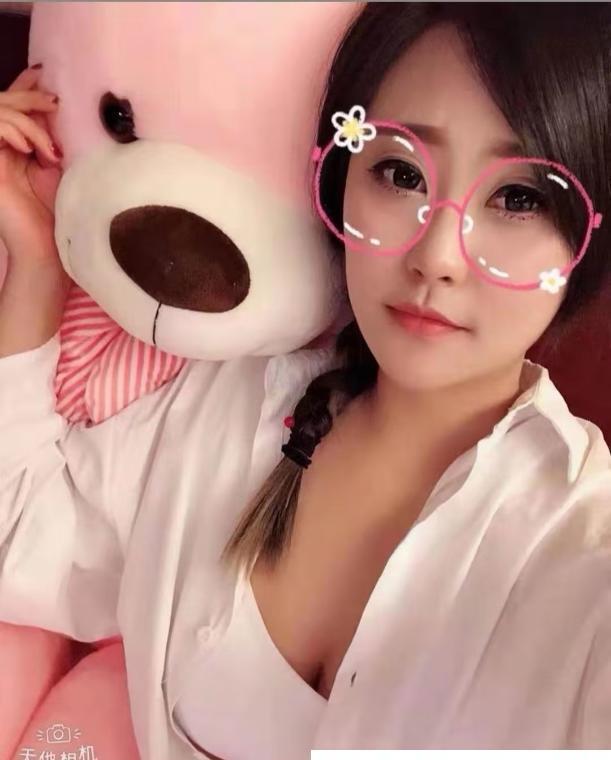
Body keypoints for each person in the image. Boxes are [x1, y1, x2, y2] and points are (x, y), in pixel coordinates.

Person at [0, 4, 610, 759]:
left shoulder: (579, 552)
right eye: (399, 172)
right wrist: (34, 263)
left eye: (519, 198)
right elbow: (23, 535)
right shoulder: (225, 407)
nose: (438, 257)